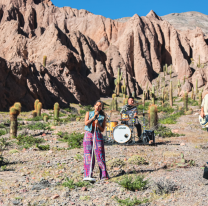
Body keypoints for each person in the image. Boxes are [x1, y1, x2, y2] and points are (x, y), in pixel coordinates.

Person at [83, 100, 109, 180]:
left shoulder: (103, 117)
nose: (98, 107)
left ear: (101, 107)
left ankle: (103, 175)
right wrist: (93, 118)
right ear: (94, 106)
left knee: (100, 155)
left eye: (100, 106)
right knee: (88, 155)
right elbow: (86, 123)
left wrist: (98, 124)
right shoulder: (89, 113)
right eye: (97, 105)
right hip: (88, 135)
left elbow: (102, 129)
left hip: (97, 135)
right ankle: (88, 175)